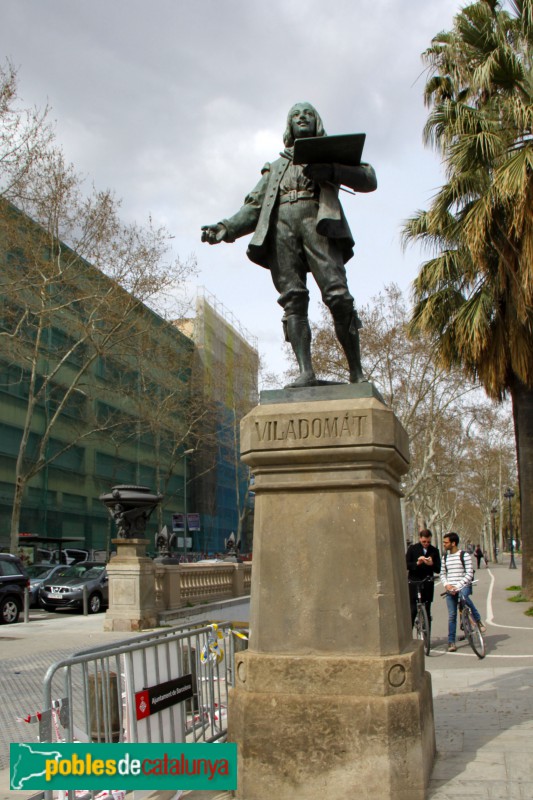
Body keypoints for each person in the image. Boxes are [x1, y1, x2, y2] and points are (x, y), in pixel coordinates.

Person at [201, 102, 377, 388]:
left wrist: (331, 169)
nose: (302, 118)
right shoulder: (276, 167)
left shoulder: (329, 153)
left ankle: (356, 372)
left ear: (316, 121)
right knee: (293, 301)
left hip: (317, 222)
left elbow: (369, 179)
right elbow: (254, 207)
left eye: (307, 113)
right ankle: (305, 371)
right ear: (289, 126)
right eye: (295, 115)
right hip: (281, 227)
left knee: (338, 297)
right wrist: (225, 228)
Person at [441, 531, 486, 652]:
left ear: (453, 543)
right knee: (452, 616)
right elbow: (442, 574)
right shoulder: (445, 557)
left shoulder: (464, 555)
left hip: (463, 586)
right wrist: (447, 585)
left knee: (464, 597)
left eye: (446, 542)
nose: (444, 544)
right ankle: (451, 642)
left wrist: (458, 586)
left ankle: (477, 619)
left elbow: (469, 573)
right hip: (450, 589)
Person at [406, 529, 441, 629]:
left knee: (427, 609)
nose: (426, 544)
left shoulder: (434, 551)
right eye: (424, 541)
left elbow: (438, 569)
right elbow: (406, 564)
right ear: (420, 539)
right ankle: (409, 635)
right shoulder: (412, 549)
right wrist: (417, 563)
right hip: (414, 582)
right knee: (413, 610)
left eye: (428, 542)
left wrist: (431, 564)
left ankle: (427, 638)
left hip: (427, 582)